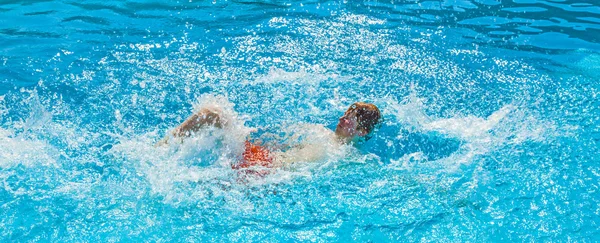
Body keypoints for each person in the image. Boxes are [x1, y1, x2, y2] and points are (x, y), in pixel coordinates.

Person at [156, 102, 381, 171]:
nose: (343, 118)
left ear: (362, 131)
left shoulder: (346, 155)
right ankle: (163, 146)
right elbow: (276, 140)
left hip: (266, 174)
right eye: (345, 113)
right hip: (261, 159)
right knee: (212, 114)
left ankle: (162, 151)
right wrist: (245, 138)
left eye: (351, 118)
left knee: (214, 116)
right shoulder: (317, 130)